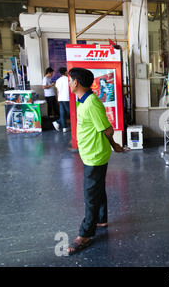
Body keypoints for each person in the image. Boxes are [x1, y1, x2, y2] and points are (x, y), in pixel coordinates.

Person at [66, 67, 125, 255]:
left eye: (70, 80)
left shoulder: (91, 103)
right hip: (90, 153)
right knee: (97, 188)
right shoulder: (83, 101)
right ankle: (101, 219)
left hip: (95, 155)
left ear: (76, 82)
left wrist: (114, 144)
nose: (69, 83)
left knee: (90, 193)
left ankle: (85, 234)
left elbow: (107, 129)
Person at [53, 67, 70, 132]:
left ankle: (64, 127)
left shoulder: (58, 80)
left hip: (60, 98)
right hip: (67, 98)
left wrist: (58, 98)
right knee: (70, 113)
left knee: (62, 113)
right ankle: (58, 122)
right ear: (66, 72)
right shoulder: (68, 79)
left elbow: (58, 91)